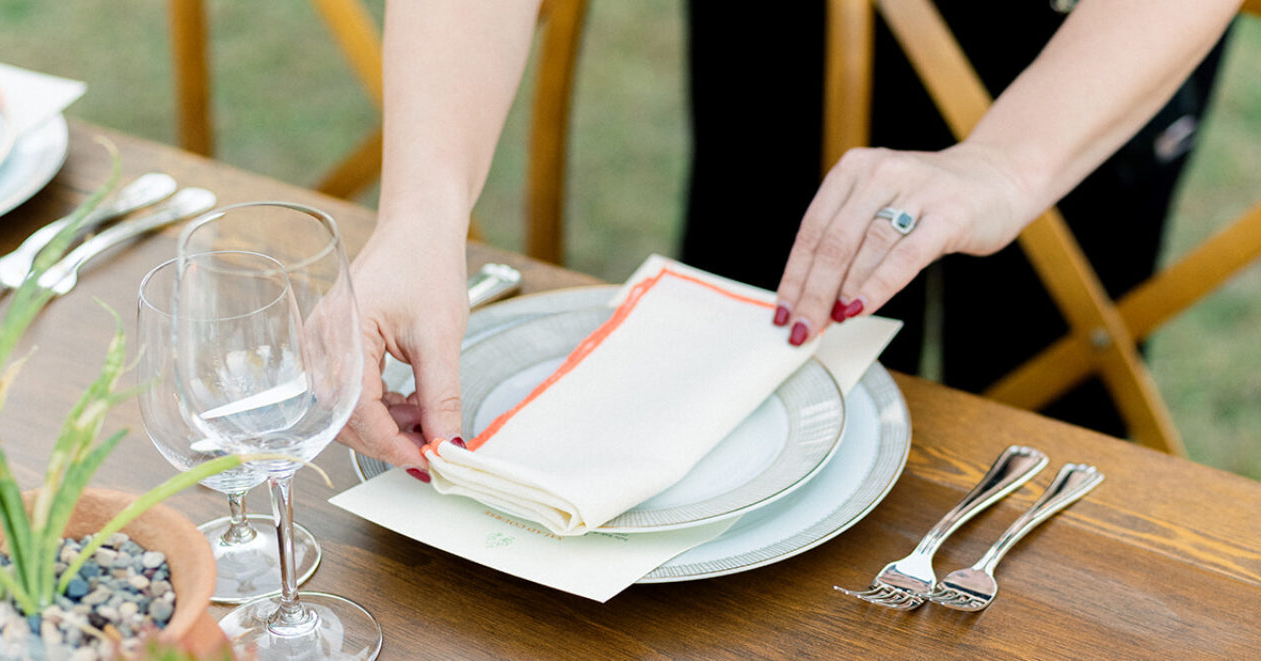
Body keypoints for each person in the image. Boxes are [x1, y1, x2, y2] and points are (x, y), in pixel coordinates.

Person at [337, 0, 1241, 477]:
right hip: (779, 27)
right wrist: (420, 214)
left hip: (1079, 48)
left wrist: (1005, 165)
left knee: (1038, 425)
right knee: (739, 398)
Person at [680, 1, 1230, 436]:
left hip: (1089, 54)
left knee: (1037, 419)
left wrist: (1003, 165)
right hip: (789, 35)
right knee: (757, 399)